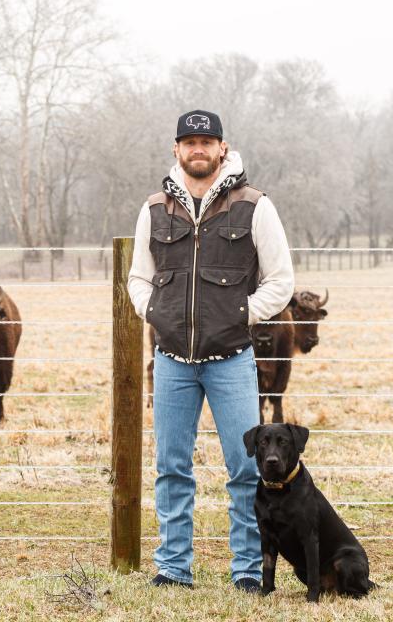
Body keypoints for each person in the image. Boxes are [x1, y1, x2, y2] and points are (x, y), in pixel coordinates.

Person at [127, 109, 295, 592]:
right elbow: (139, 276)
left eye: (207, 141)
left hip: (232, 361)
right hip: (172, 362)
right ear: (176, 149)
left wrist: (242, 314)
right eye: (189, 141)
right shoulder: (155, 208)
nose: (198, 149)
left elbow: (281, 281)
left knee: (245, 470)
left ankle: (246, 569)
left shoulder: (254, 206)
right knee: (171, 469)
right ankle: (174, 567)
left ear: (223, 148)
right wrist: (153, 311)